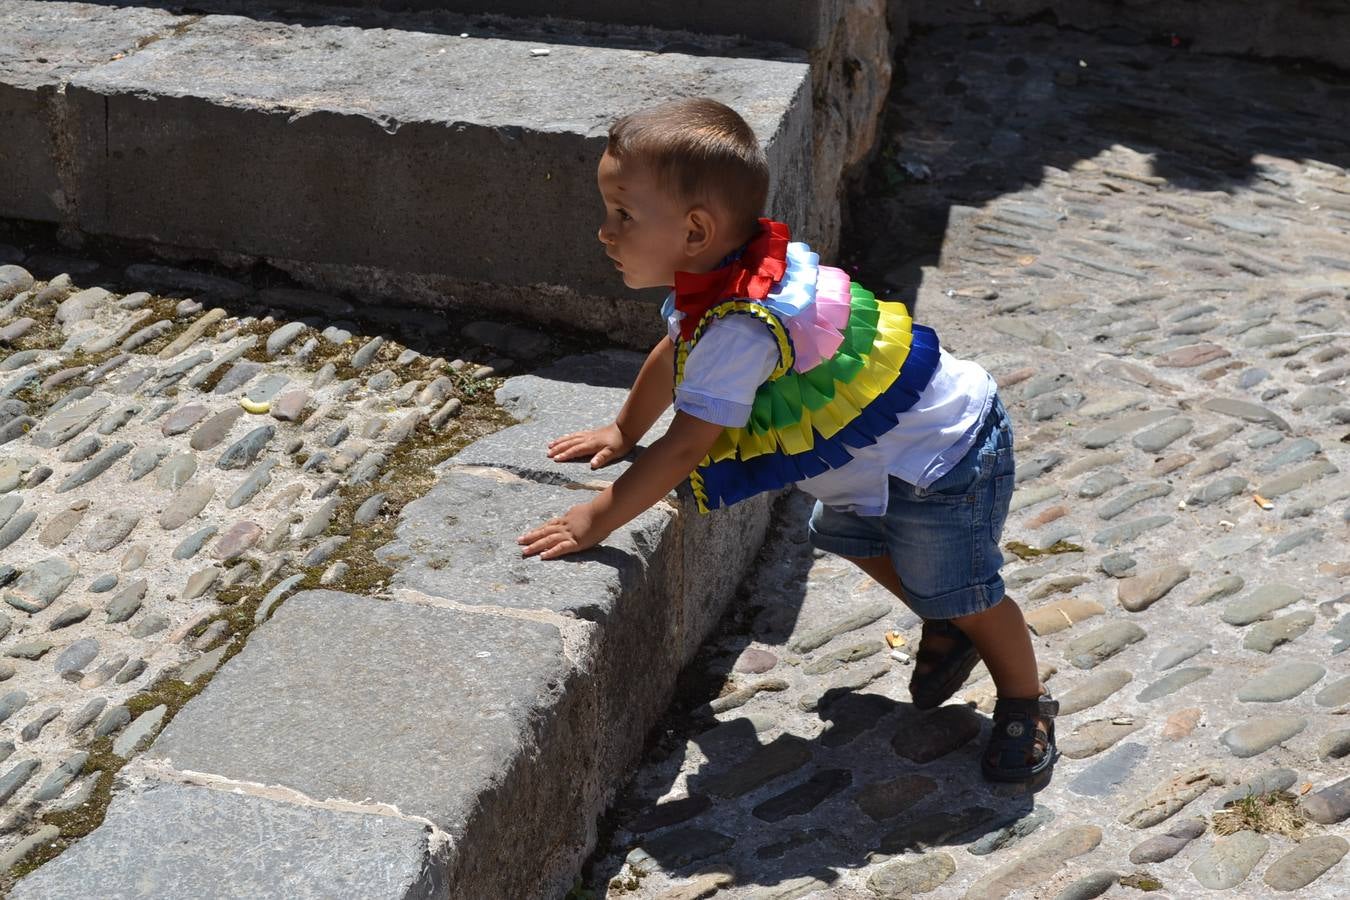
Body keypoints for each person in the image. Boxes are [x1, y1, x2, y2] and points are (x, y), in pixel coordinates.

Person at [517, 97, 1056, 782]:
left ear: (695, 229)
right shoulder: (722, 280)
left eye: (622, 215)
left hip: (945, 459)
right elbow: (678, 346)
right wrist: (625, 428)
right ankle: (950, 628)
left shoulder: (743, 325)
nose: (604, 232)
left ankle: (1025, 701)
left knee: (968, 589)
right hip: (896, 453)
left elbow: (685, 448)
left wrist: (599, 516)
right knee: (850, 538)